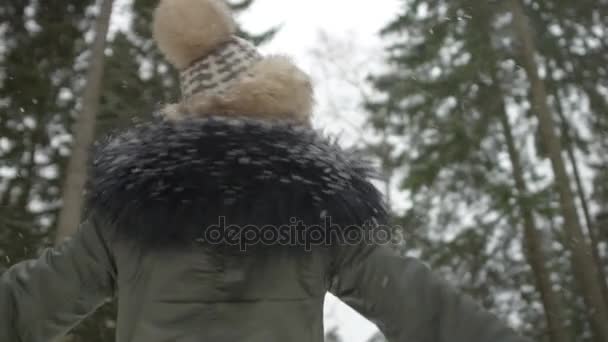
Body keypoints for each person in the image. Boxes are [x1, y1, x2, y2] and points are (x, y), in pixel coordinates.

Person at [0, 0, 532, 341]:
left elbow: (28, 305)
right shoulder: (319, 207)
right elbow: (422, 307)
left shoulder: (132, 210)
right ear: (279, 109)